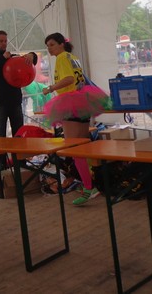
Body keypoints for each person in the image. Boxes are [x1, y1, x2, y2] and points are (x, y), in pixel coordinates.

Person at [41, 32, 107, 206]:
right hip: (83, 101)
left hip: (70, 103)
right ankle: (92, 183)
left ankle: (89, 187)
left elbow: (69, 79)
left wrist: (50, 88)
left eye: (52, 44)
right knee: (83, 146)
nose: (49, 48)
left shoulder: (62, 57)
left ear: (61, 44)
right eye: (47, 46)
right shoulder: (72, 57)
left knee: (73, 148)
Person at [0, 30, 37, 138]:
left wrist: (31, 55)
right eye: (1, 41)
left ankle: (18, 150)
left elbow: (30, 62)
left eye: (5, 41)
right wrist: (3, 58)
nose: (4, 43)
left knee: (19, 134)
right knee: (0, 135)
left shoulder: (13, 57)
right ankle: (1, 151)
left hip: (15, 102)